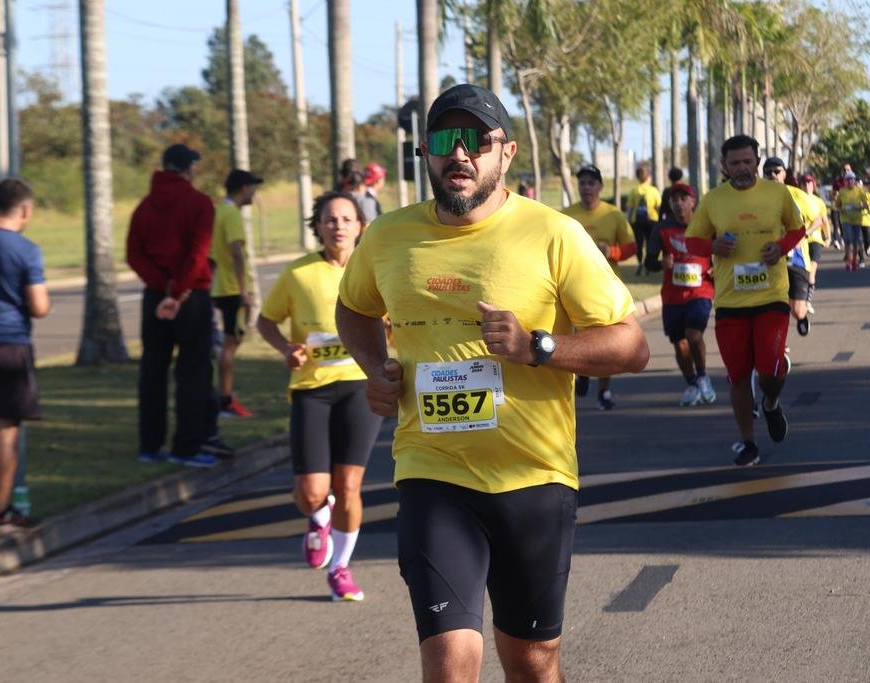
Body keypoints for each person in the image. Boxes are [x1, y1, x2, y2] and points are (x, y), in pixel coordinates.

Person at [335, 83, 649, 682]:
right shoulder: (387, 237)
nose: (460, 154)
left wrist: (539, 346)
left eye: (476, 141)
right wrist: (376, 368)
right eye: (445, 140)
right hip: (432, 472)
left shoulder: (552, 233)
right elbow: (353, 308)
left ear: (506, 154)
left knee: (531, 663)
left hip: (533, 477)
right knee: (450, 662)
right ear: (425, 153)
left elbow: (632, 346)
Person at [257, 191, 383, 601]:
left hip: (359, 385)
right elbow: (266, 320)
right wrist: (285, 349)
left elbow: (397, 322)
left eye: (347, 219)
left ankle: (341, 568)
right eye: (330, 219)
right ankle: (319, 516)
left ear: (360, 226)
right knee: (312, 491)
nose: (339, 226)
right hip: (312, 388)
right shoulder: (298, 274)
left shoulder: (375, 271)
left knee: (349, 485)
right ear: (318, 227)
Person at [685, 135, 804, 467]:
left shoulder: (777, 193)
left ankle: (770, 403)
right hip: (731, 302)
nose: (742, 168)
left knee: (768, 368)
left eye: (747, 162)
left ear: (757, 161)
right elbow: (692, 240)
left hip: (771, 296)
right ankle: (748, 441)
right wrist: (713, 247)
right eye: (734, 163)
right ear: (724, 166)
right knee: (738, 376)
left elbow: (798, 228)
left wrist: (780, 247)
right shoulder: (713, 201)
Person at [127, 144, 220, 468]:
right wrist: (178, 291)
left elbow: (133, 253)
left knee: (152, 371)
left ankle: (149, 445)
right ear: (188, 168)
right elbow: (198, 252)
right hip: (190, 296)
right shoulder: (199, 203)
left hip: (156, 296)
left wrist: (161, 286)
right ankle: (187, 447)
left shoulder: (144, 207)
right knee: (193, 372)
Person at [0, 179, 50, 527]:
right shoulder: (26, 250)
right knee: (5, 429)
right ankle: (0, 509)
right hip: (9, 346)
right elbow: (38, 306)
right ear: (25, 210)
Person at [561, 163, 637, 410]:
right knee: (574, 337)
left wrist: (612, 251)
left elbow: (631, 247)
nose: (586, 187)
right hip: (570, 287)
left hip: (605, 289)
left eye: (591, 183)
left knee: (605, 340)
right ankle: (580, 374)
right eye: (582, 183)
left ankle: (604, 390)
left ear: (600, 187)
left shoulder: (613, 214)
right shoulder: (565, 215)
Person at [647, 182, 716, 406]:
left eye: (683, 199)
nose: (679, 203)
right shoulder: (662, 228)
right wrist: (661, 263)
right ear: (670, 203)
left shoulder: (706, 225)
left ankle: (703, 375)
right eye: (674, 199)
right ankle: (692, 382)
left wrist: (716, 267)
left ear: (693, 201)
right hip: (672, 295)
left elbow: (721, 250)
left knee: (694, 334)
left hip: (701, 290)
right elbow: (649, 262)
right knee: (680, 344)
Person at [210, 169, 263, 419]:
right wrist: (244, 290)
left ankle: (222, 396)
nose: (255, 193)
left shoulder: (219, 210)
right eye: (253, 188)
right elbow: (236, 252)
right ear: (243, 188)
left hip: (220, 286)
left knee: (227, 343)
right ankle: (225, 399)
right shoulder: (231, 213)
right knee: (230, 345)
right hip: (232, 289)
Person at [762, 157, 816, 336]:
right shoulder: (757, 197)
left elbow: (817, 220)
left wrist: (803, 234)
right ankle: (779, 344)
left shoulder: (797, 195)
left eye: (777, 171)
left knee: (798, 310)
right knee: (776, 307)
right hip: (770, 260)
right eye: (768, 172)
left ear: (784, 173)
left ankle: (801, 317)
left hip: (798, 259)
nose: (773, 175)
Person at [798, 172, 830, 314]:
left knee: (811, 272)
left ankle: (807, 301)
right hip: (800, 241)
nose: (807, 186)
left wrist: (828, 237)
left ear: (814, 184)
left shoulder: (819, 202)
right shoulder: (796, 200)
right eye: (804, 183)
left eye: (809, 183)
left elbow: (824, 221)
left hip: (815, 240)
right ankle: (800, 299)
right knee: (802, 272)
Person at [625, 163, 662, 275]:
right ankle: (648, 265)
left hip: (637, 222)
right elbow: (659, 207)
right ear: (648, 177)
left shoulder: (634, 191)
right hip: (652, 221)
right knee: (650, 244)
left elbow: (630, 209)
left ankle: (640, 263)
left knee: (639, 244)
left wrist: (628, 221)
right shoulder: (653, 190)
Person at [836, 170, 870, 271]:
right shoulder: (842, 191)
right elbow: (837, 205)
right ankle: (848, 261)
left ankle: (854, 260)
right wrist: (842, 209)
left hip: (857, 220)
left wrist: (860, 207)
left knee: (855, 242)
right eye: (847, 180)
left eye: (851, 180)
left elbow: (867, 205)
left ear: (854, 180)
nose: (849, 182)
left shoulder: (860, 191)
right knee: (848, 240)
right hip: (845, 219)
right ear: (845, 181)